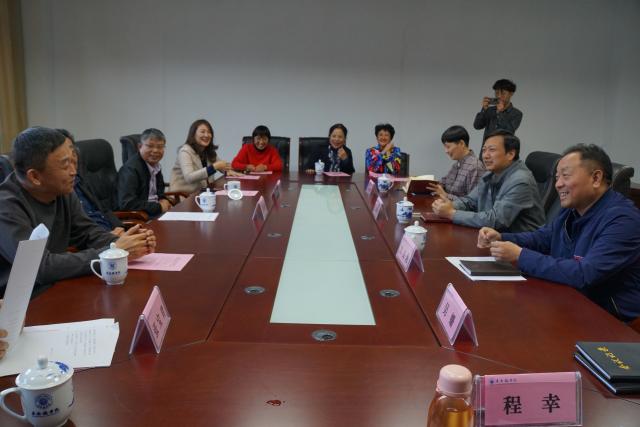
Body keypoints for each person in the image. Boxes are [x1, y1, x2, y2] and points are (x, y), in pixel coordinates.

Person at [478, 144, 640, 321]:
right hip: (568, 301)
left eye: (565, 176)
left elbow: (585, 274)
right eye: (556, 177)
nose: (558, 184)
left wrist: (520, 255)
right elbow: (543, 238)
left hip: (610, 319)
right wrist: (501, 237)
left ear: (596, 178)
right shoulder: (572, 208)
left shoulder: (623, 220)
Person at [0, 127, 156, 297]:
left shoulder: (62, 190)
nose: (74, 171)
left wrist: (130, 242)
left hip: (57, 285)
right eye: (65, 165)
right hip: (21, 299)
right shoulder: (7, 207)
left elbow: (87, 233)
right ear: (35, 177)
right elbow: (39, 268)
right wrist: (113, 251)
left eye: (73, 161)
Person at [432, 130, 544, 232]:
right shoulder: (490, 174)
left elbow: (496, 220)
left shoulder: (520, 181)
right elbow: (470, 201)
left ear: (510, 154)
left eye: (492, 150)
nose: (485, 156)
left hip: (520, 242)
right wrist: (449, 205)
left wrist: (452, 213)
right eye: (484, 150)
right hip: (494, 236)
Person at [57, 129, 125, 234]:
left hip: (109, 234)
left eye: (73, 153)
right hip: (97, 239)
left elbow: (102, 209)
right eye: (64, 157)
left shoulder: (80, 179)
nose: (72, 160)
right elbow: (75, 232)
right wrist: (109, 238)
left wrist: (122, 229)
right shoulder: (58, 191)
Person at [169, 119, 240, 194]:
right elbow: (189, 177)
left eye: (209, 132)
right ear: (193, 134)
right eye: (202, 132)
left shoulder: (208, 151)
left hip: (203, 193)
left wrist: (232, 171)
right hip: (183, 196)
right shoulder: (185, 151)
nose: (206, 135)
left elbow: (223, 166)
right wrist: (214, 167)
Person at [118, 128, 172, 218]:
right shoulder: (130, 170)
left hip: (154, 212)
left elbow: (159, 192)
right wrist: (158, 207)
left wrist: (163, 199)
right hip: (141, 217)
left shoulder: (156, 166)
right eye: (150, 146)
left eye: (160, 147)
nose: (155, 150)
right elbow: (127, 203)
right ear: (139, 147)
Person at [427, 125, 485, 198]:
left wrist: (446, 196)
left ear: (461, 143)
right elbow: (443, 183)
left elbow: (474, 201)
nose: (446, 151)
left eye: (448, 147)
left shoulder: (475, 167)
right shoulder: (456, 165)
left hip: (454, 205)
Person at [473, 79, 523, 154]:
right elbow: (477, 126)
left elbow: (509, 132)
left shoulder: (516, 113)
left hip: (503, 152)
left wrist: (500, 113)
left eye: (503, 93)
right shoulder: (490, 110)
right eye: (496, 93)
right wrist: (484, 109)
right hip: (486, 151)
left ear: (511, 94)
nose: (499, 96)